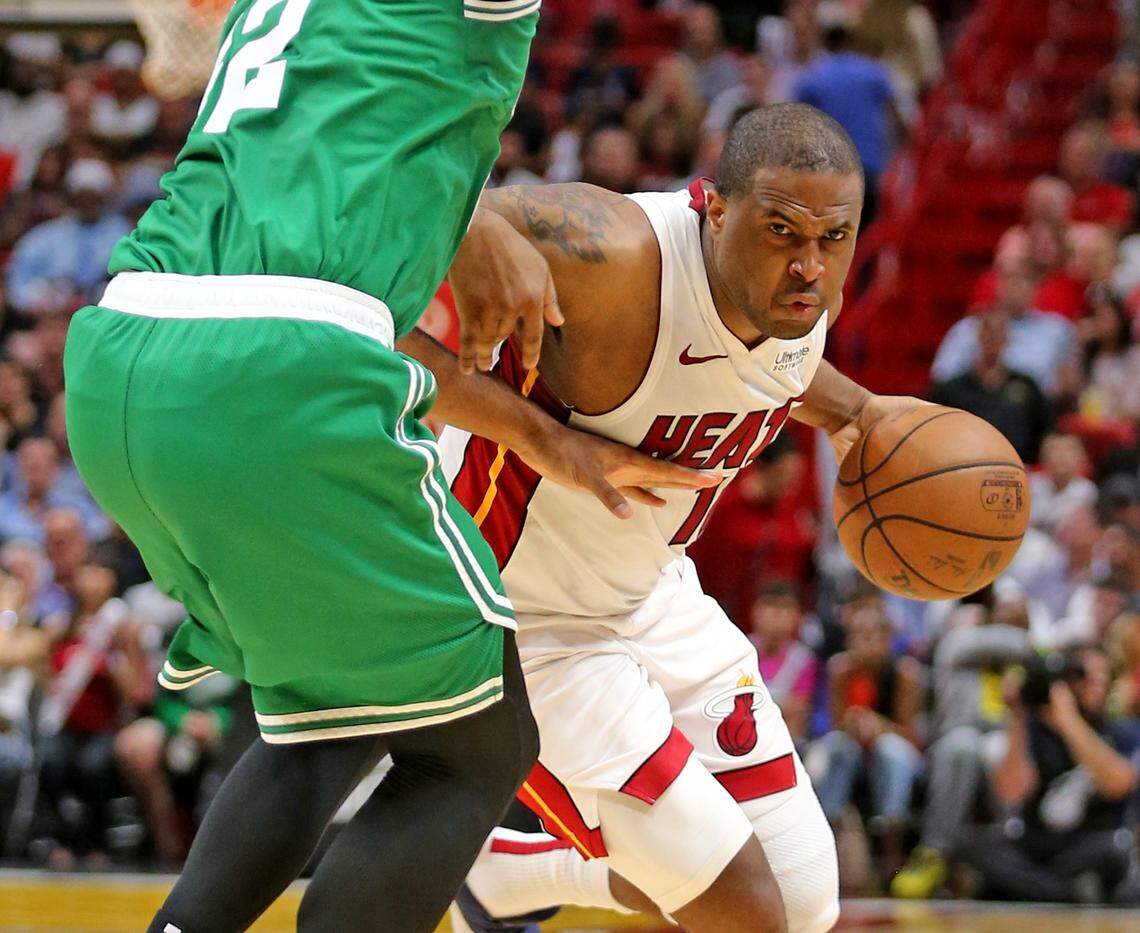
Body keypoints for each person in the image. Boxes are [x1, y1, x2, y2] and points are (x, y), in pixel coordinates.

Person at [63, 4, 704, 930]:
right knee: (477, 750)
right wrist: (474, 215)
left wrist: (468, 217)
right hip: (277, 369)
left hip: (122, 357)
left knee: (332, 719)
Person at [403, 103, 924, 932]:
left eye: (834, 237)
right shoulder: (611, 253)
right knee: (746, 909)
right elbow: (379, 316)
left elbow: (773, 366)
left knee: (802, 900)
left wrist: (858, 412)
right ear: (713, 208)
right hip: (511, 620)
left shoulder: (797, 298)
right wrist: (544, 438)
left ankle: (505, 872)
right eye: (782, 232)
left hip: (649, 594)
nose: (809, 265)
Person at [967, 647, 1139, 902]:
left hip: (1089, 844)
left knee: (1115, 852)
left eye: (1104, 676)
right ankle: (1062, 893)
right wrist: (1017, 714)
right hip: (1039, 846)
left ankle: (1036, 891)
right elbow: (1011, 792)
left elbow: (1119, 784)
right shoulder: (1033, 728)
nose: (1097, 684)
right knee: (977, 845)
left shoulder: (1119, 731)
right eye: (1084, 675)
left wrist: (1068, 720)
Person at [5, 158, 131, 314]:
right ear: (72, 198)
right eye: (82, 197)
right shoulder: (45, 236)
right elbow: (17, 284)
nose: (88, 203)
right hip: (50, 315)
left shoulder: (123, 233)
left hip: (104, 314)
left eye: (94, 198)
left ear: (105, 198)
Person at [931, 309, 1053, 464]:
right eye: (989, 332)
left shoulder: (1026, 385)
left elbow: (1045, 432)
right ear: (979, 336)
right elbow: (936, 433)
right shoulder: (951, 389)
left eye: (999, 332)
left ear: (1007, 338)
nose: (993, 338)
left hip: (1018, 467)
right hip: (964, 466)